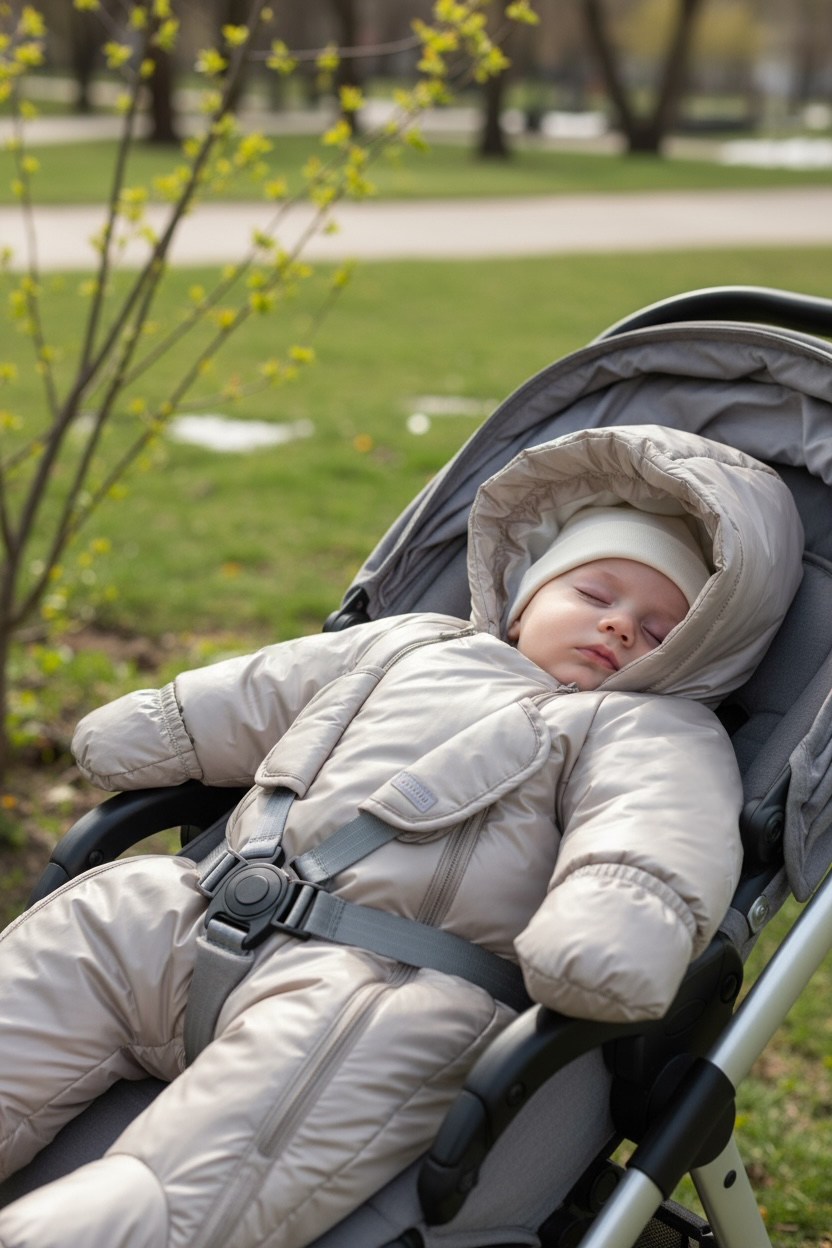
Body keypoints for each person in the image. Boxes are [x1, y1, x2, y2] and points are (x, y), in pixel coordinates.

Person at [0, 424, 803, 1248]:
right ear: (527, 592)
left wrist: (612, 932)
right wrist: (166, 724)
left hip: (382, 980)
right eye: (596, 596)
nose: (621, 628)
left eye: (662, 630)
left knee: (239, 1143)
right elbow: (266, 690)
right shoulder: (409, 643)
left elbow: (648, 839)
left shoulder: (651, 731)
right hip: (199, 910)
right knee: (99, 919)